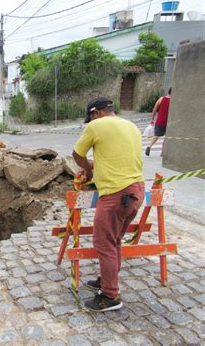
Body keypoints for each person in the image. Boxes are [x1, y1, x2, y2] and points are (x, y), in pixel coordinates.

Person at [72, 97, 145, 312]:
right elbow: (117, 158)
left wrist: (89, 170)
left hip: (116, 193)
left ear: (96, 113)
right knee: (115, 240)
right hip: (136, 190)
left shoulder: (96, 125)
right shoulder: (131, 126)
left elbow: (77, 154)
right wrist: (98, 166)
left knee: (103, 243)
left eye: (90, 117)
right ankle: (106, 280)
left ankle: (110, 296)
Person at [145, 88, 171, 156]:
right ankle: (162, 152)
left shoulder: (161, 99)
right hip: (169, 121)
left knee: (156, 135)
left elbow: (154, 109)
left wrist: (152, 119)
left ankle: (149, 146)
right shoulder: (174, 100)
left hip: (160, 120)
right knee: (166, 137)